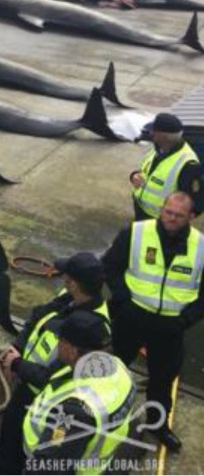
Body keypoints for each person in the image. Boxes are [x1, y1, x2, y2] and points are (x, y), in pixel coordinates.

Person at [0, 253, 110, 474]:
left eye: (67, 277)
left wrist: (17, 365)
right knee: (11, 430)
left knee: (32, 443)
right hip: (26, 380)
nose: (63, 280)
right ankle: (3, 464)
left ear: (74, 283)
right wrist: (18, 347)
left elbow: (55, 376)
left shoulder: (93, 329)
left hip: (46, 397)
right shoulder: (69, 297)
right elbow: (37, 319)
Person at [102, 191, 203, 452]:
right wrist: (124, 301)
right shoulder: (135, 233)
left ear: (191, 217)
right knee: (115, 369)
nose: (170, 218)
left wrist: (186, 320)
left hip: (170, 328)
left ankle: (158, 427)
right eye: (167, 212)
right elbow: (110, 267)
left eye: (178, 216)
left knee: (162, 381)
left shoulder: (201, 247)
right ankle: (105, 414)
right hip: (132, 319)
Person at [21, 311, 134, 475]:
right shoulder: (119, 369)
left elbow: (49, 468)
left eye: (60, 339)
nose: (57, 343)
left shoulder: (75, 411)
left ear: (72, 351)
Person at [130, 112, 202, 219]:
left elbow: (196, 200)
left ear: (163, 137)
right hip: (141, 211)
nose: (151, 133)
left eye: (154, 131)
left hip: (162, 221)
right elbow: (147, 171)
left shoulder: (188, 165)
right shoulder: (158, 149)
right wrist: (134, 175)